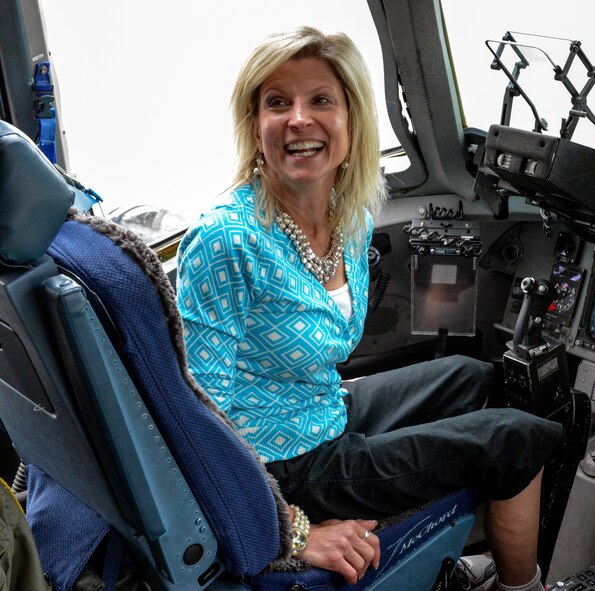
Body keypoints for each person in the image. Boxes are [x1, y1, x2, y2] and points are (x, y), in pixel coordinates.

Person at [176, 26, 562, 591]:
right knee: (518, 439)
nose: (299, 120)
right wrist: (295, 532)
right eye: (277, 102)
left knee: (476, 375)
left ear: (352, 121)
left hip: (321, 408)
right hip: (279, 466)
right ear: (255, 128)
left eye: (321, 100)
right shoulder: (226, 241)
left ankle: (456, 553)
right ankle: (520, 586)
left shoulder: (350, 216)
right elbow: (196, 422)